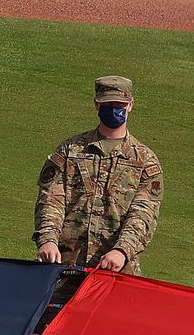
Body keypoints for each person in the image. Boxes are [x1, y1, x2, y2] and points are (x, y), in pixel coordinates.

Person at [34, 75, 163, 276]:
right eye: (107, 104)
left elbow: (144, 214)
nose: (113, 109)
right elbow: (51, 200)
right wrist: (48, 240)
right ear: (96, 105)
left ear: (130, 105)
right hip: (64, 267)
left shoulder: (145, 160)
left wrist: (122, 250)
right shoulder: (70, 151)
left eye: (119, 104)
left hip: (117, 271)